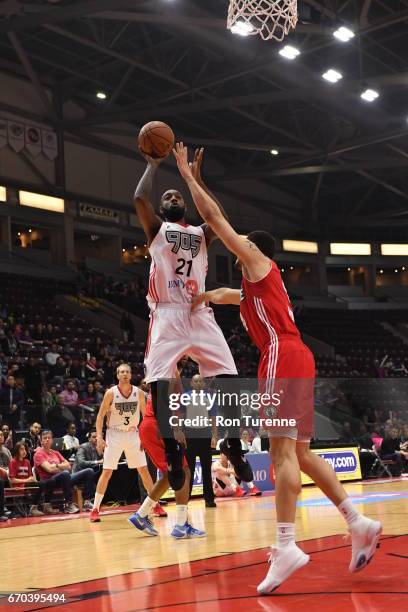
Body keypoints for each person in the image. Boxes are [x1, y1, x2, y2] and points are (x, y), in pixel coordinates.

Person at [173, 142, 382, 594]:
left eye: (243, 241)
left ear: (253, 250)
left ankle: (286, 545)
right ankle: (358, 521)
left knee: (282, 454)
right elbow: (228, 295)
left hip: (281, 357)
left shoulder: (256, 260)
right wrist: (205, 296)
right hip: (296, 355)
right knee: (302, 454)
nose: (237, 241)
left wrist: (189, 181)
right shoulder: (255, 288)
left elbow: (216, 221)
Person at [133, 147, 250, 491]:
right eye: (166, 196)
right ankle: (171, 450)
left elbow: (218, 217)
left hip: (198, 310)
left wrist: (196, 181)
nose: (171, 196)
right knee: (159, 382)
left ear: (185, 205)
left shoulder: (200, 233)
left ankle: (232, 444)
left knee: (228, 375)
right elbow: (140, 198)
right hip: (167, 312)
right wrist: (152, 165)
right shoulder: (157, 228)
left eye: (177, 195)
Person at [128, 372, 205, 539]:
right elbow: (171, 405)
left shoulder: (159, 369)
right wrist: (177, 429)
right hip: (160, 426)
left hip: (149, 426)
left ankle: (141, 515)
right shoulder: (171, 372)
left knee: (171, 475)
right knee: (183, 471)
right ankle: (181, 524)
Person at [91, 363, 165, 522]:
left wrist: (145, 438)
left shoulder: (139, 393)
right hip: (114, 435)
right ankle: (95, 509)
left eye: (127, 372)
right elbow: (100, 417)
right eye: (121, 372)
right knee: (107, 472)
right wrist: (99, 437)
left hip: (133, 434)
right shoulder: (111, 393)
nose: (124, 374)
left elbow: (146, 418)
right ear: (117, 375)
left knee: (144, 470)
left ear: (131, 375)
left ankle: (156, 505)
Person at [34, 430, 95, 514]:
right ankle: (69, 504)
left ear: (52, 440)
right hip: (50, 481)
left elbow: (69, 466)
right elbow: (49, 469)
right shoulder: (39, 454)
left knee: (89, 471)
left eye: (49, 438)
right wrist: (61, 466)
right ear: (41, 441)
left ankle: (87, 502)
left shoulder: (55, 452)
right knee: (65, 473)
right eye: (45, 438)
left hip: (65, 478)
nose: (47, 440)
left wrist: (57, 466)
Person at [183, 374, 217, 508]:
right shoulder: (185, 396)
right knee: (189, 470)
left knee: (206, 469)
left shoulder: (209, 397)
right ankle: (185, 498)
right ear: (191, 383)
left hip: (205, 434)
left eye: (200, 381)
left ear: (203, 384)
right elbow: (181, 415)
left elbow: (213, 417)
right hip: (190, 435)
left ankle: (209, 499)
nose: (198, 383)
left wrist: (214, 435)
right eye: (195, 381)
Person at [9, 441, 44, 517]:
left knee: (42, 484)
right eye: (21, 449)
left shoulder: (27, 462)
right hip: (18, 487)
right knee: (36, 485)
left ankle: (36, 507)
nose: (24, 451)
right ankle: (33, 508)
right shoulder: (13, 462)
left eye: (25, 449)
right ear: (17, 450)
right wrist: (27, 480)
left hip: (28, 485)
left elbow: (31, 476)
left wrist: (33, 480)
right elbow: (12, 480)